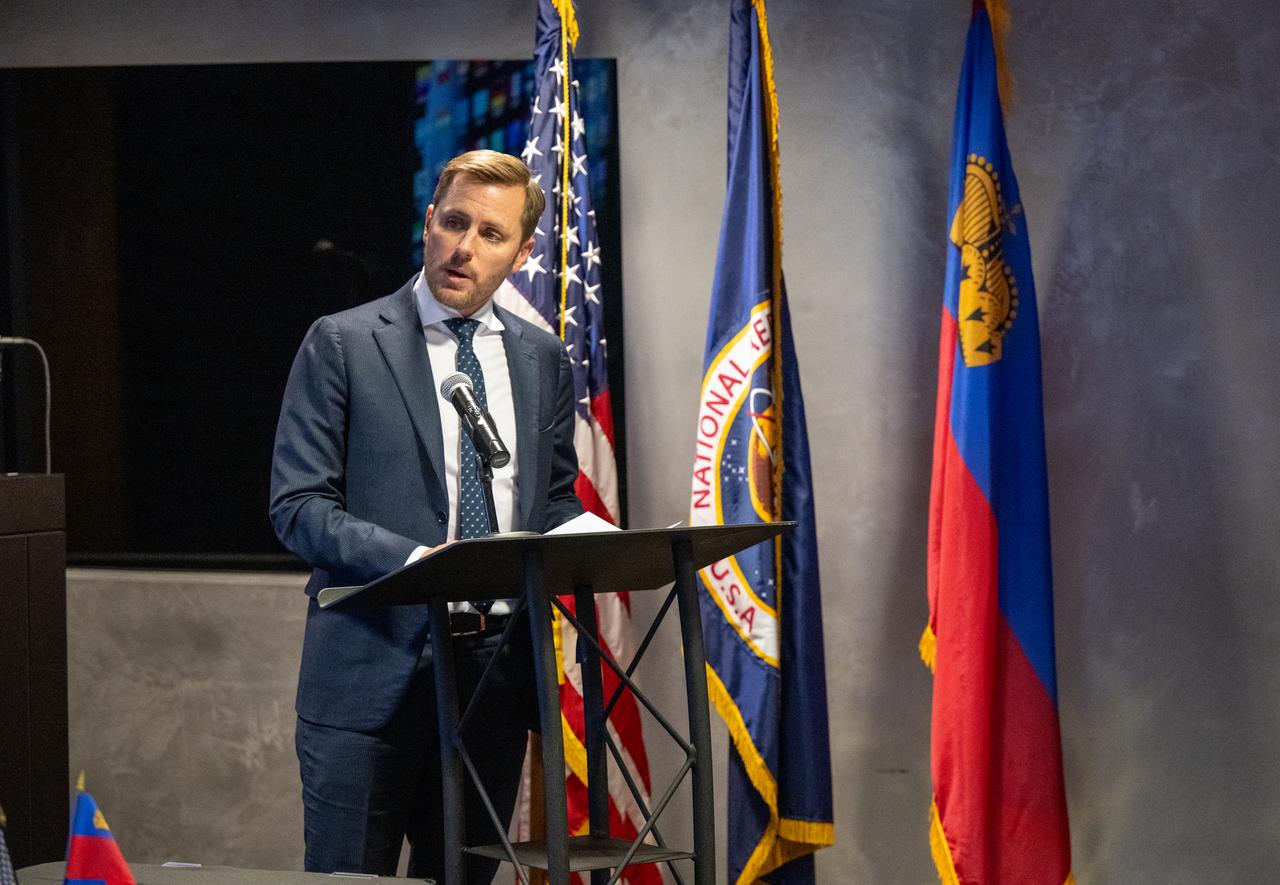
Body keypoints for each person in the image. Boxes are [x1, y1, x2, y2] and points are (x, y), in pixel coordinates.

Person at [269, 150, 583, 882]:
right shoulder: (345, 342)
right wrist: (418, 566)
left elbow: (554, 497)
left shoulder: (542, 358)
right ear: (428, 222)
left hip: (493, 677)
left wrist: (596, 544)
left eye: (491, 234)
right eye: (454, 223)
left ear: (522, 253)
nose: (464, 246)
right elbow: (298, 505)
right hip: (371, 671)